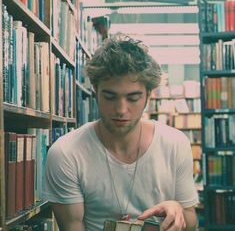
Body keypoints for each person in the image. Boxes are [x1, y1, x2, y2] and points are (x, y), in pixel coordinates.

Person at [44, 33, 199, 231]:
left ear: (148, 96)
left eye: (133, 98)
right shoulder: (66, 153)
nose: (121, 109)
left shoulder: (175, 144)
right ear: (95, 91)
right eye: (110, 96)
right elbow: (72, 226)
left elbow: (192, 220)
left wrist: (178, 210)